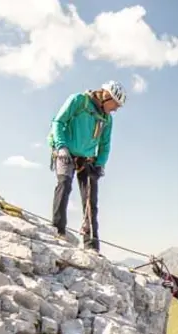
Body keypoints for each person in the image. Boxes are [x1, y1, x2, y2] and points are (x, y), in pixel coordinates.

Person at [47, 80, 127, 251]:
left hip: (87, 158)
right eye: (116, 104)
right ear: (106, 96)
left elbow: (105, 144)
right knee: (64, 184)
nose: (116, 109)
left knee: (91, 200)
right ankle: (58, 230)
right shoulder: (78, 101)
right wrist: (61, 147)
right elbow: (58, 122)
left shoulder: (107, 119)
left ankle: (91, 244)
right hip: (65, 149)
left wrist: (100, 164)